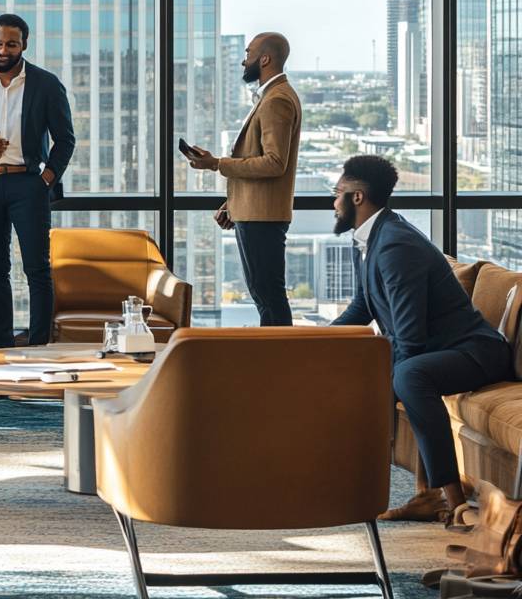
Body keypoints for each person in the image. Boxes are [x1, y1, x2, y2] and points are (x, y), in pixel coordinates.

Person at [331, 155, 511, 523]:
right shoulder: (367, 239)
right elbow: (362, 306)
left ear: (357, 196)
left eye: (337, 193)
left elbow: (409, 335)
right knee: (393, 374)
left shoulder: (396, 245)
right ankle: (425, 496)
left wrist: (384, 379)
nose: (333, 203)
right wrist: (311, 343)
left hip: (475, 352)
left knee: (409, 375)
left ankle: (453, 501)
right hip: (438, 350)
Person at [0, 13, 75, 348]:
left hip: (28, 185)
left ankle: (39, 347)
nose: (2, 50)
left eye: (10, 44)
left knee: (37, 269)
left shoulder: (46, 84)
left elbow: (65, 139)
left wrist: (46, 178)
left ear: (24, 45)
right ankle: (1, 346)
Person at [188, 32, 301, 326]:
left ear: (265, 59)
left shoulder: (277, 99)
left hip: (263, 217)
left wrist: (217, 164)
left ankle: (281, 353)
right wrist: (234, 204)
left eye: (248, 53)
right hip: (254, 213)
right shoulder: (272, 96)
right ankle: (276, 351)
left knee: (268, 296)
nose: (243, 61)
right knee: (264, 294)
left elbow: (274, 163)